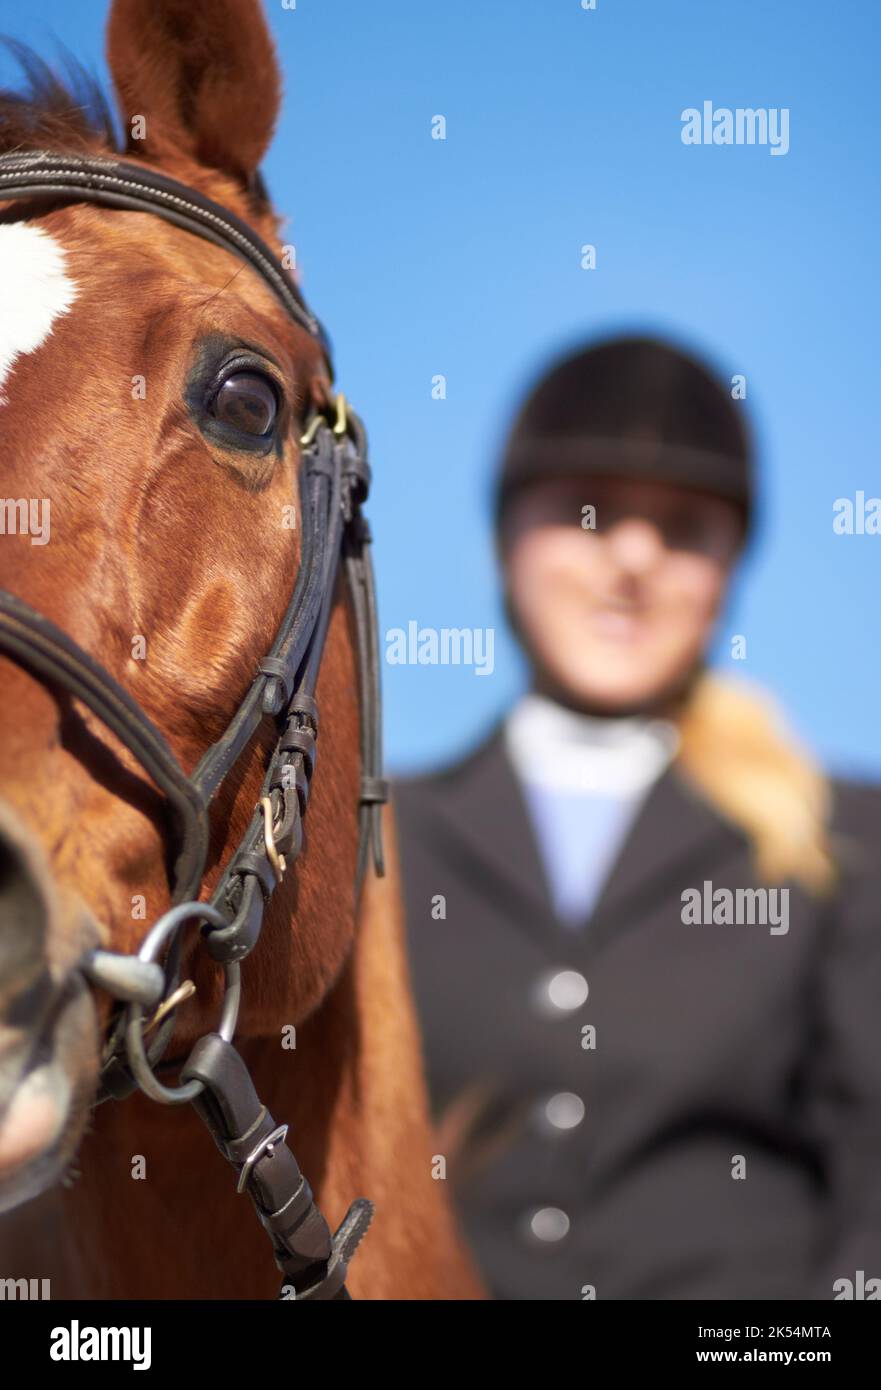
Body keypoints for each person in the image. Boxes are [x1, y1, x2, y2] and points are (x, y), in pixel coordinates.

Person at [394, 335, 881, 1301]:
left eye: (684, 529)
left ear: (728, 573)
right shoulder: (378, 837)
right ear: (504, 539)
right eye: (588, 514)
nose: (632, 559)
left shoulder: (846, 840)